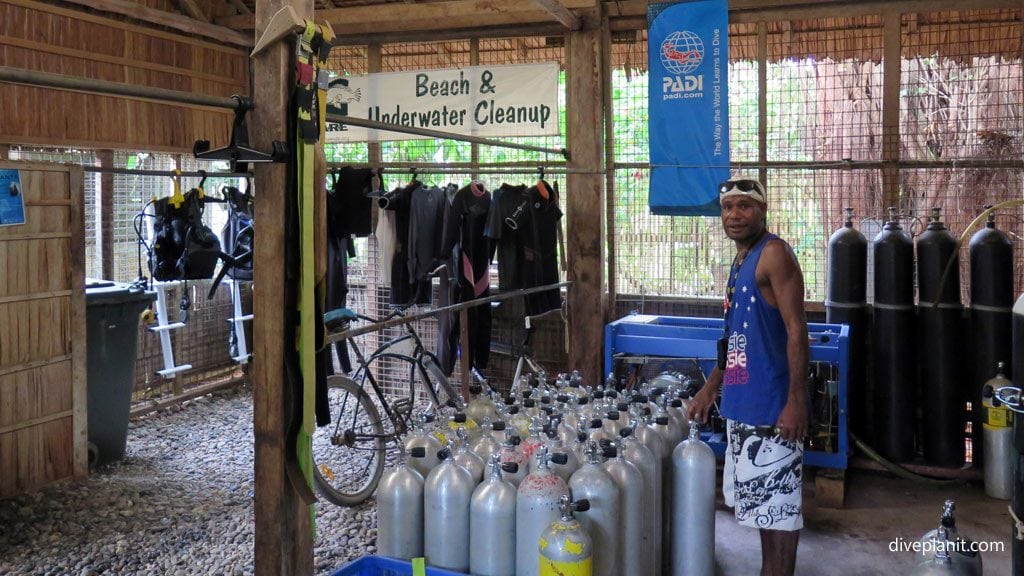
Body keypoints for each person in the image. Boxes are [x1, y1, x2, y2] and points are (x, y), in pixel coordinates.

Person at [687, 178, 808, 576]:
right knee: (762, 508)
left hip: (773, 410)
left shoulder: (773, 255)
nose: (734, 215)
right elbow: (734, 335)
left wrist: (795, 401)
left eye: (744, 206)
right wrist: (710, 387)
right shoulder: (742, 260)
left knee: (781, 512)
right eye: (727, 207)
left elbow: (796, 330)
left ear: (762, 211)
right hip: (744, 405)